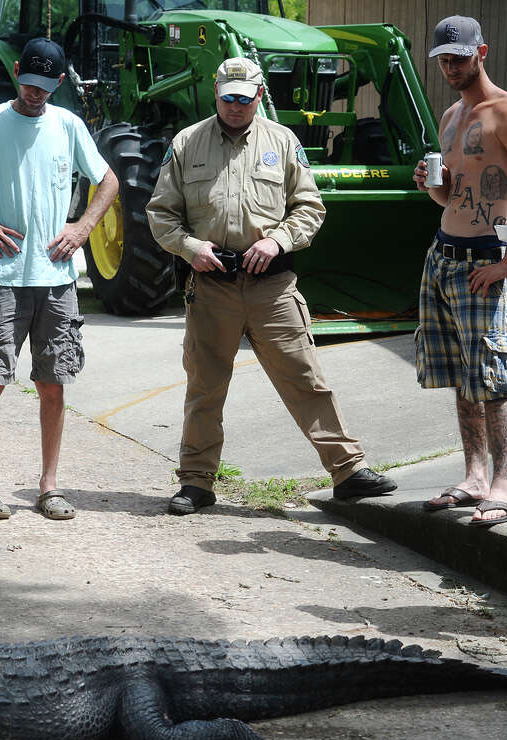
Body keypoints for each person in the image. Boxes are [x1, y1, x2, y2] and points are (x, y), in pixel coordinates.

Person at [146, 57, 395, 516]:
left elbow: (310, 208)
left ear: (259, 95)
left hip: (272, 286)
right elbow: (161, 214)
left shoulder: (282, 142)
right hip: (211, 284)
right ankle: (197, 483)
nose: (236, 106)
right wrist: (191, 247)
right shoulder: (187, 143)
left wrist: (279, 241)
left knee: (306, 379)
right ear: (215, 94)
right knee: (205, 388)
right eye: (228, 99)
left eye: (245, 98)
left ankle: (347, 471)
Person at [0, 38, 119, 521]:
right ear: (16, 73)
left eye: (46, 85)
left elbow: (108, 180)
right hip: (3, 276)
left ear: (60, 81)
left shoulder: (68, 125)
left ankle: (50, 487)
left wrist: (83, 227)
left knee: (54, 383)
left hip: (56, 278)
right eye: (29, 83)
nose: (35, 93)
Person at [412, 15, 507, 527]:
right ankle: (474, 476)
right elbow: (451, 194)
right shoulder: (450, 116)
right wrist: (430, 184)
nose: (450, 67)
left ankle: (505, 486)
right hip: (444, 257)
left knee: (493, 377)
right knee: (461, 377)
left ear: (482, 52)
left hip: (488, 258)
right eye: (444, 59)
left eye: (460, 58)